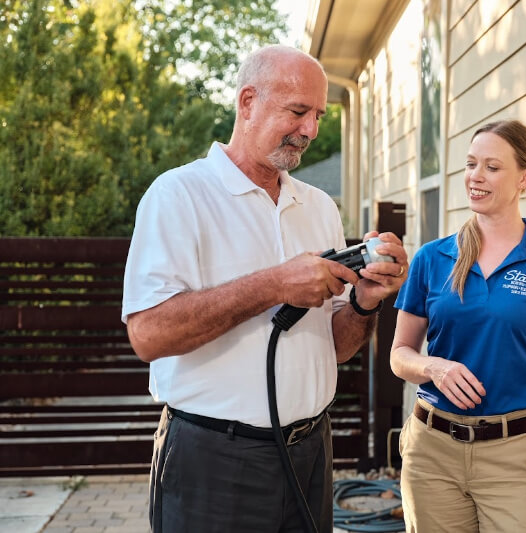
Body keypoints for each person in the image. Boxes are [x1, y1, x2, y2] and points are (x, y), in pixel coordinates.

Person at [122, 44, 408, 533]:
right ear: (247, 102)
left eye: (317, 114)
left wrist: (365, 300)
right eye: (298, 111)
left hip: (312, 450)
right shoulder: (178, 195)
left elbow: (337, 347)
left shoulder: (319, 206)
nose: (312, 130)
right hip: (213, 459)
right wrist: (274, 284)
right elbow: (148, 336)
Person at [390, 119, 526, 532]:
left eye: (492, 167)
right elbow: (400, 354)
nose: (475, 177)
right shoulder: (432, 258)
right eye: (470, 164)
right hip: (433, 453)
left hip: (520, 456)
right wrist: (434, 367)